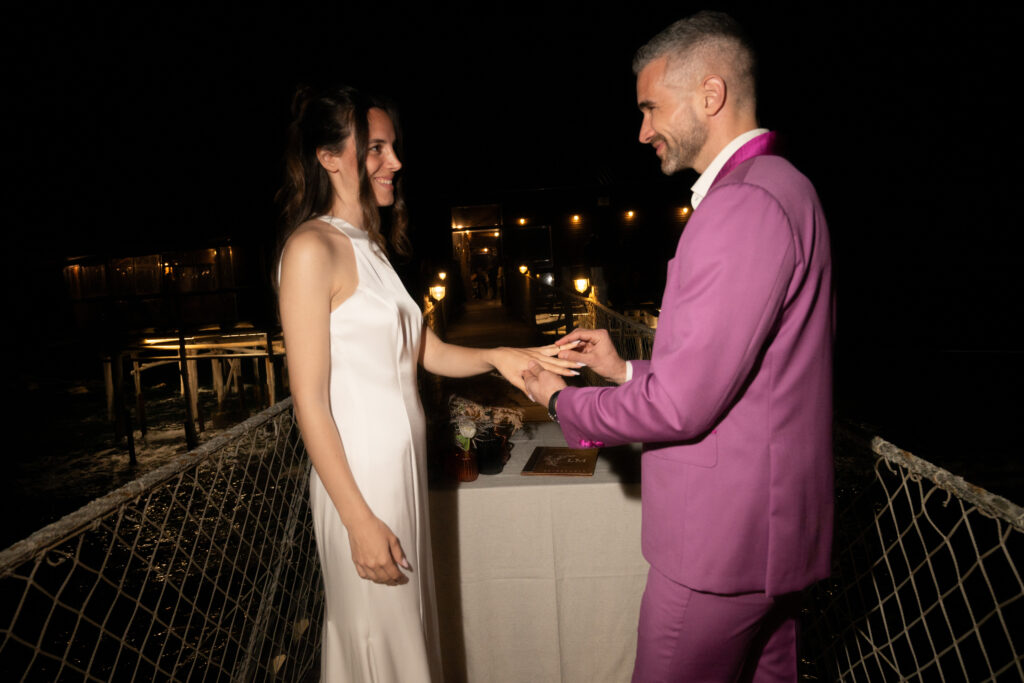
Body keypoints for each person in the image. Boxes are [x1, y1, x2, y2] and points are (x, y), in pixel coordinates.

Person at [522, 11, 834, 682]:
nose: (642, 132)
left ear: (710, 95)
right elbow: (751, 376)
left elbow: (681, 406)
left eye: (650, 108)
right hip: (767, 542)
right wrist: (624, 368)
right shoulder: (788, 186)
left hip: (719, 550)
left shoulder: (742, 204)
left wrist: (561, 402)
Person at [276, 85, 577, 682]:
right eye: (375, 148)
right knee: (378, 638)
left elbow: (426, 351)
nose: (395, 162)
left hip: (401, 472)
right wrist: (359, 522)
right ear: (328, 157)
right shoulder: (312, 248)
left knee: (408, 632)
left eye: (393, 147)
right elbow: (309, 402)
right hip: (360, 479)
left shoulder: (369, 245)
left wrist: (502, 356)